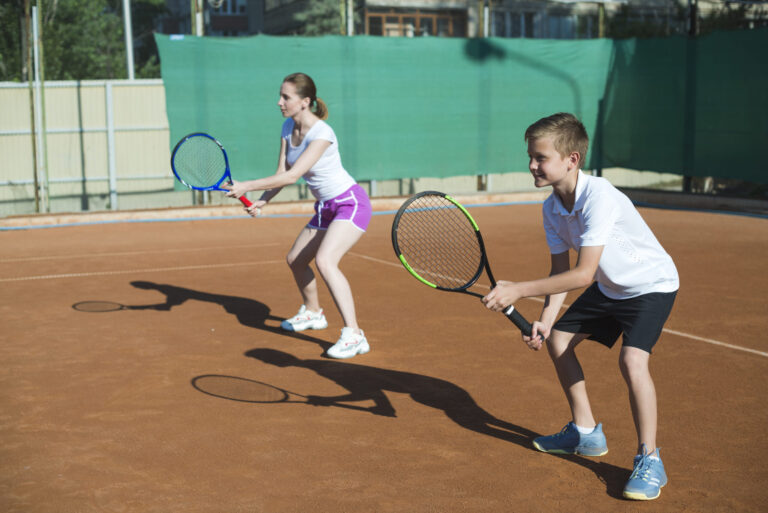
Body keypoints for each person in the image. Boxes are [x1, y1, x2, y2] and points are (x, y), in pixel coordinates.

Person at [482, 113, 679, 501]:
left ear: (571, 160)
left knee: (632, 362)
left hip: (650, 285)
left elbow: (583, 273)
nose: (531, 165)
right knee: (557, 342)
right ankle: (586, 433)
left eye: (540, 157)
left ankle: (650, 458)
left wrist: (519, 289)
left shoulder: (599, 197)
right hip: (610, 285)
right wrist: (545, 319)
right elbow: (561, 272)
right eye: (530, 156)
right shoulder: (552, 208)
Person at [224, 72, 372, 359]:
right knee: (295, 260)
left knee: (326, 261)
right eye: (280, 95)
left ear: (305, 102)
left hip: (350, 204)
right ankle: (314, 313)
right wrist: (262, 201)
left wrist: (246, 186)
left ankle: (354, 334)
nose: (279, 102)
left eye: (286, 97)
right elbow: (280, 174)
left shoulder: (322, 134)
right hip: (325, 208)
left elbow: (293, 176)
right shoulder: (286, 127)